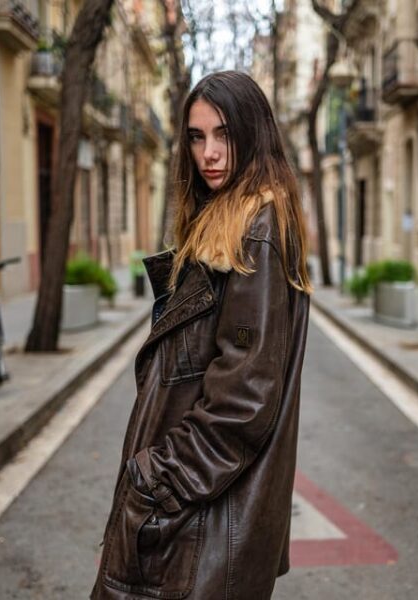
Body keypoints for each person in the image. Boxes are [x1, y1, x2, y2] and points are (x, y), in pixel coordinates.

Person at [91, 71, 313, 600]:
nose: (209, 153)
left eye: (223, 135)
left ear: (253, 134)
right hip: (197, 515)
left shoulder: (253, 234)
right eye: (197, 136)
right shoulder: (224, 225)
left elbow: (243, 401)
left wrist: (155, 486)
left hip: (198, 523)